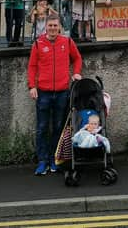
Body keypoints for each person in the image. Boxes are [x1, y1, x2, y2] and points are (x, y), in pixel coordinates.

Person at [27, 14, 83, 175]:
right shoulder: (38, 44)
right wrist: (32, 86)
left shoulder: (67, 42)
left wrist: (77, 73)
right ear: (46, 27)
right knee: (42, 128)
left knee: (58, 127)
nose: (52, 28)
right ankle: (42, 161)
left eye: (55, 26)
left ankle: (54, 160)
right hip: (43, 93)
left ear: (59, 27)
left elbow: (77, 59)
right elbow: (31, 67)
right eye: (50, 25)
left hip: (62, 92)